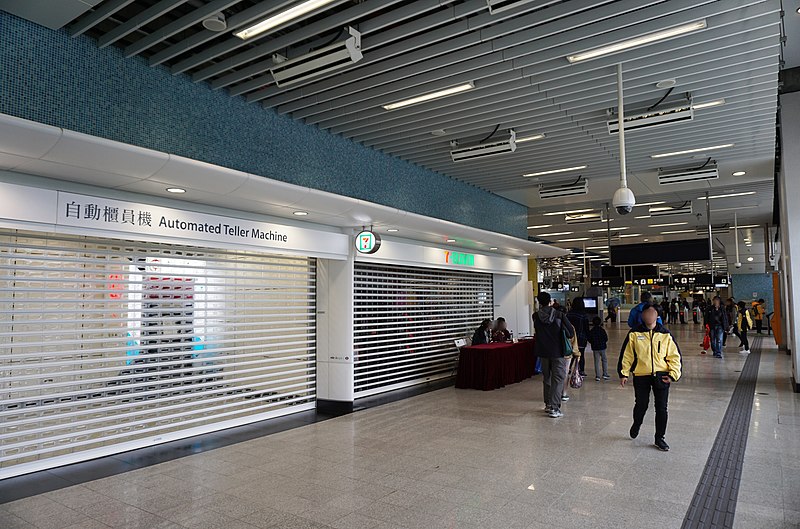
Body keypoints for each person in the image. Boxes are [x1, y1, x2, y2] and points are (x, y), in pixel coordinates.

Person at [618, 303, 682, 452]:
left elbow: (674, 356)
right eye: (646, 313)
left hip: (661, 375)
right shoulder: (634, 334)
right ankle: (637, 423)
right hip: (641, 375)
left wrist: (673, 375)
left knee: (661, 408)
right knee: (641, 404)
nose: (648, 316)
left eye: (652, 313)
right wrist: (624, 373)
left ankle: (660, 437)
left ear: (657, 316)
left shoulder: (665, 334)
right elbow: (627, 355)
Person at [533, 292, 575, 419]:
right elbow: (570, 332)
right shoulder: (559, 314)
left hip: (543, 352)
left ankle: (548, 404)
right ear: (550, 301)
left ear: (539, 302)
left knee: (547, 378)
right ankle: (555, 408)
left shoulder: (535, 316)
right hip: (558, 351)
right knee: (558, 379)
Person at [567, 297, 589, 377]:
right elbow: (586, 328)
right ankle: (581, 370)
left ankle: (568, 368)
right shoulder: (583, 315)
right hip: (581, 338)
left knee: (571, 354)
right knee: (581, 355)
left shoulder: (569, 313)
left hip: (570, 338)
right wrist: (589, 337)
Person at [588, 316, 609, 381]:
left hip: (595, 348)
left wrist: (593, 343)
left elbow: (589, 339)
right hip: (602, 347)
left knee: (596, 362)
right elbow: (606, 338)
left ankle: (597, 376)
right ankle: (605, 374)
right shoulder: (602, 330)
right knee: (604, 360)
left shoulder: (592, 331)